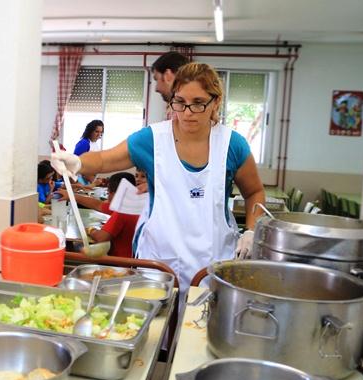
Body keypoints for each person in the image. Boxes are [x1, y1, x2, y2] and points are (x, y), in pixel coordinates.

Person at [51, 62, 266, 291]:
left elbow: (254, 192)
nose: (187, 113)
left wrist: (252, 230)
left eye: (198, 104)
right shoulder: (153, 139)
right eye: (180, 102)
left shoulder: (232, 145)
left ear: (216, 102)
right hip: (159, 261)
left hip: (213, 261)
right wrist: (79, 162)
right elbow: (105, 159)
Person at [87, 172, 140, 258]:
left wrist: (90, 230)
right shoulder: (137, 205)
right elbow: (99, 205)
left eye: (108, 192)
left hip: (122, 264)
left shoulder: (123, 210)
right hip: (137, 260)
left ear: (112, 193)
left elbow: (100, 237)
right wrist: (72, 196)